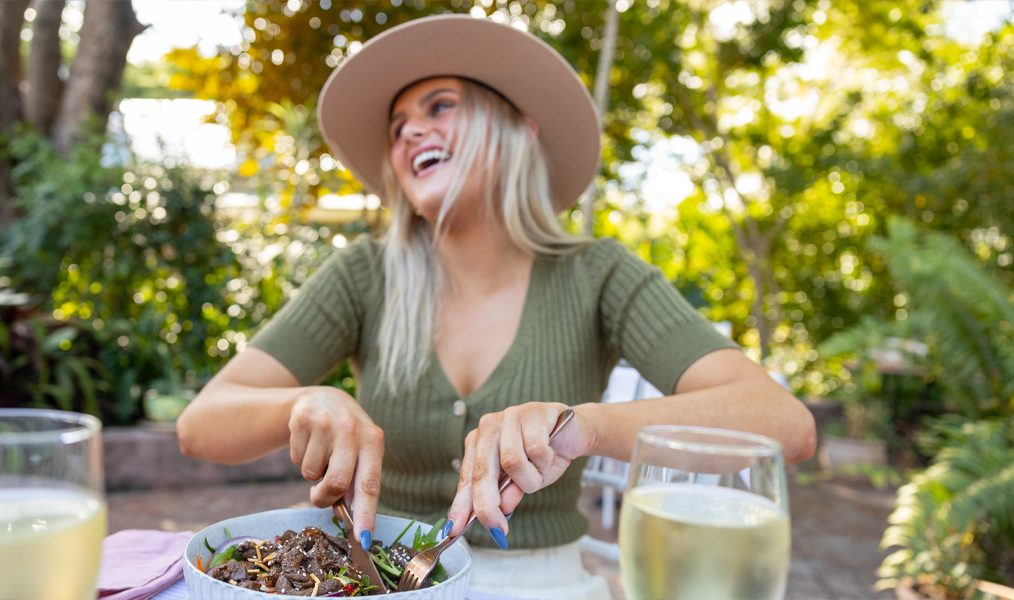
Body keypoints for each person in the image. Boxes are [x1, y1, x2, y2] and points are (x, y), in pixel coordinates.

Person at [177, 14, 816, 599]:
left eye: (440, 107)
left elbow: (784, 424)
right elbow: (200, 425)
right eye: (398, 127)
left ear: (518, 131)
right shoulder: (361, 275)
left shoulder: (600, 274)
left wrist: (581, 426)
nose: (410, 132)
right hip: (380, 585)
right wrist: (303, 401)